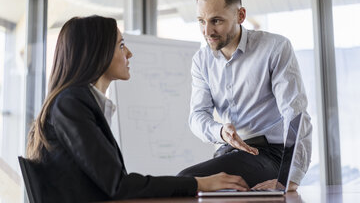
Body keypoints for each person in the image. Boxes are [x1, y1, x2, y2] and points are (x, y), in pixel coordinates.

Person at [26, 16, 249, 203]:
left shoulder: (78, 102)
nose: (129, 53)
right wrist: (199, 182)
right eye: (121, 45)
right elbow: (117, 185)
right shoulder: (71, 104)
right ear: (97, 53)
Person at [178, 0, 312, 191]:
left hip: (271, 154)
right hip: (230, 151)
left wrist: (290, 178)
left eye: (216, 21)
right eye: (201, 21)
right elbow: (197, 116)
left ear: (240, 16)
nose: (207, 31)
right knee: (190, 184)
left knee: (185, 180)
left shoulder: (275, 48)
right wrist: (221, 131)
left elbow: (295, 114)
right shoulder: (201, 61)